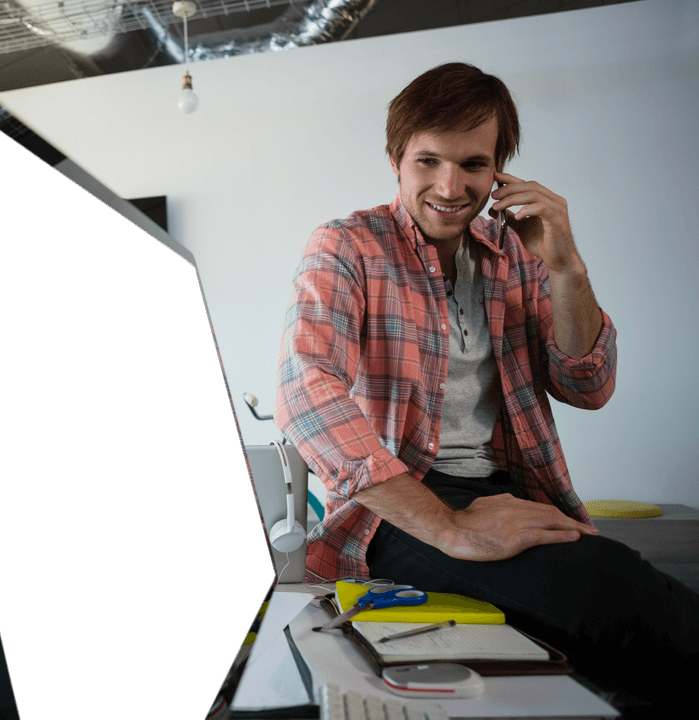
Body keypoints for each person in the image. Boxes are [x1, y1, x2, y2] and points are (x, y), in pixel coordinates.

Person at [274, 62, 698, 717]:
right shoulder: (347, 246)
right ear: (395, 159)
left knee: (627, 622)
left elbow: (587, 383)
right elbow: (306, 392)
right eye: (428, 161)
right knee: (625, 605)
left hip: (512, 494)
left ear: (500, 168)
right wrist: (449, 528)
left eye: (473, 164)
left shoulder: (517, 252)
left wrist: (566, 265)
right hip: (399, 507)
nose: (450, 186)